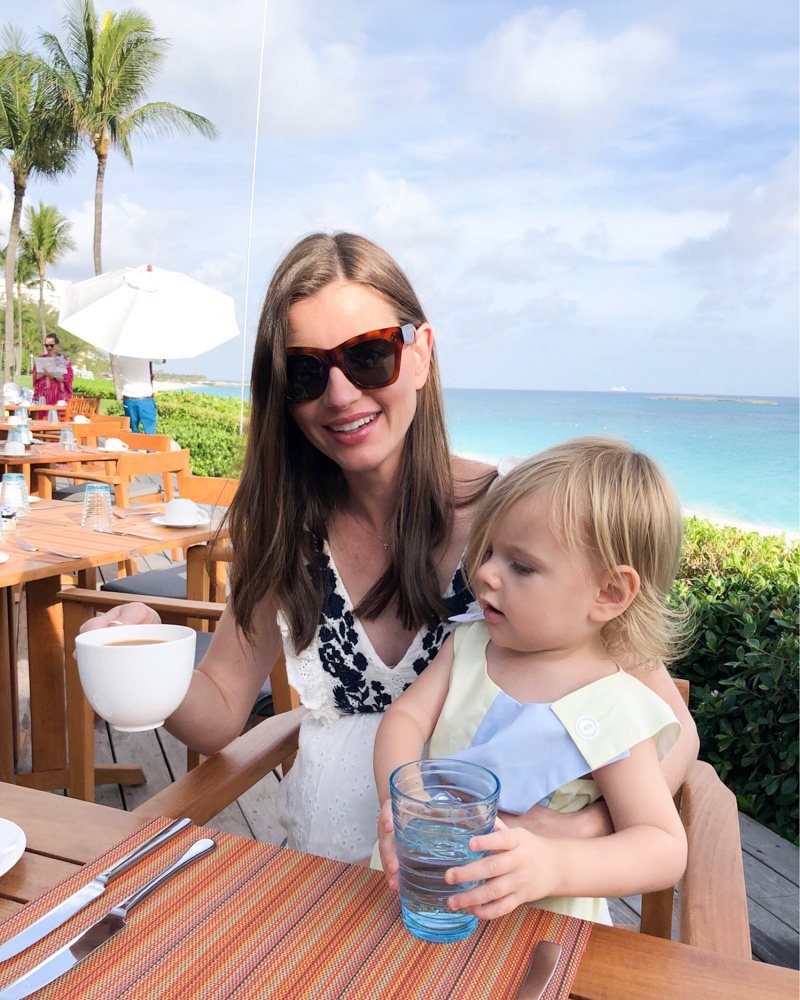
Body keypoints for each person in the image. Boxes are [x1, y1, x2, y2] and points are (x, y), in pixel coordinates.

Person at [79, 232, 698, 864]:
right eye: (307, 372)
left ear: (421, 353)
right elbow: (217, 711)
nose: (341, 394)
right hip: (320, 871)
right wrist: (146, 656)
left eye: (370, 356)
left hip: (486, 887)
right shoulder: (287, 530)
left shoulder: (522, 527)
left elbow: (676, 731)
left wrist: (575, 834)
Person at [373, 437, 690, 922]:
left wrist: (554, 864)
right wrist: (405, 801)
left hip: (540, 923)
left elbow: (662, 846)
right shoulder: (472, 646)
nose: (485, 574)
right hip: (423, 890)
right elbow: (406, 717)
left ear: (608, 592)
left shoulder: (608, 702)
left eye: (520, 566)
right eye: (491, 551)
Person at [118, 356, 164, 433]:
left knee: (132, 430)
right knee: (149, 431)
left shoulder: (121, 356)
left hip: (128, 397)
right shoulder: (144, 353)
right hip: (144, 398)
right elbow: (162, 360)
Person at [32, 334, 73, 418]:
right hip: (43, 398)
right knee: (41, 421)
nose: (49, 348)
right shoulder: (41, 359)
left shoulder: (63, 359)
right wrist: (45, 373)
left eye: (51, 345)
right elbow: (35, 376)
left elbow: (69, 377)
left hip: (59, 397)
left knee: (58, 421)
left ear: (57, 345)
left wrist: (54, 377)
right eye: (46, 345)